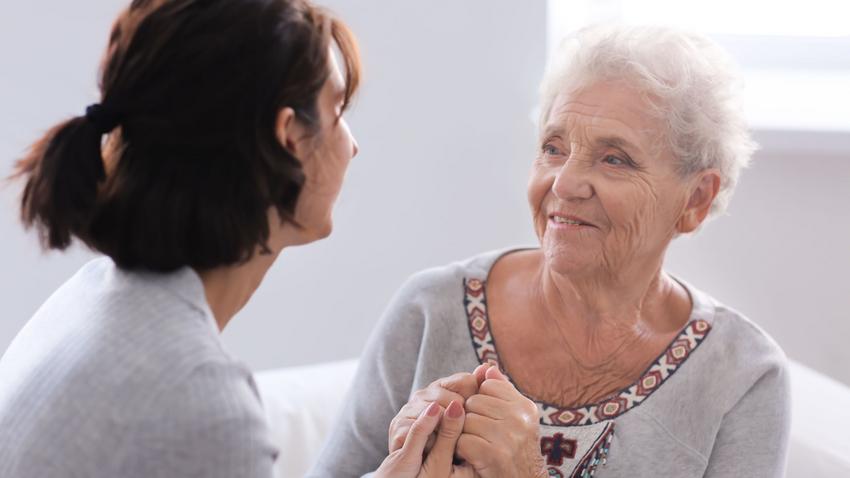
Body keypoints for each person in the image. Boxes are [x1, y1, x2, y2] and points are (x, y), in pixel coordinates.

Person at [309, 25, 791, 478]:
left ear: (696, 199)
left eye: (614, 158)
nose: (564, 182)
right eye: (553, 148)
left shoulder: (743, 375)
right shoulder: (431, 310)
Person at [0, 0, 364, 476]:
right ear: (289, 136)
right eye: (336, 108)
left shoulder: (89, 299)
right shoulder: (201, 401)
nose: (352, 145)